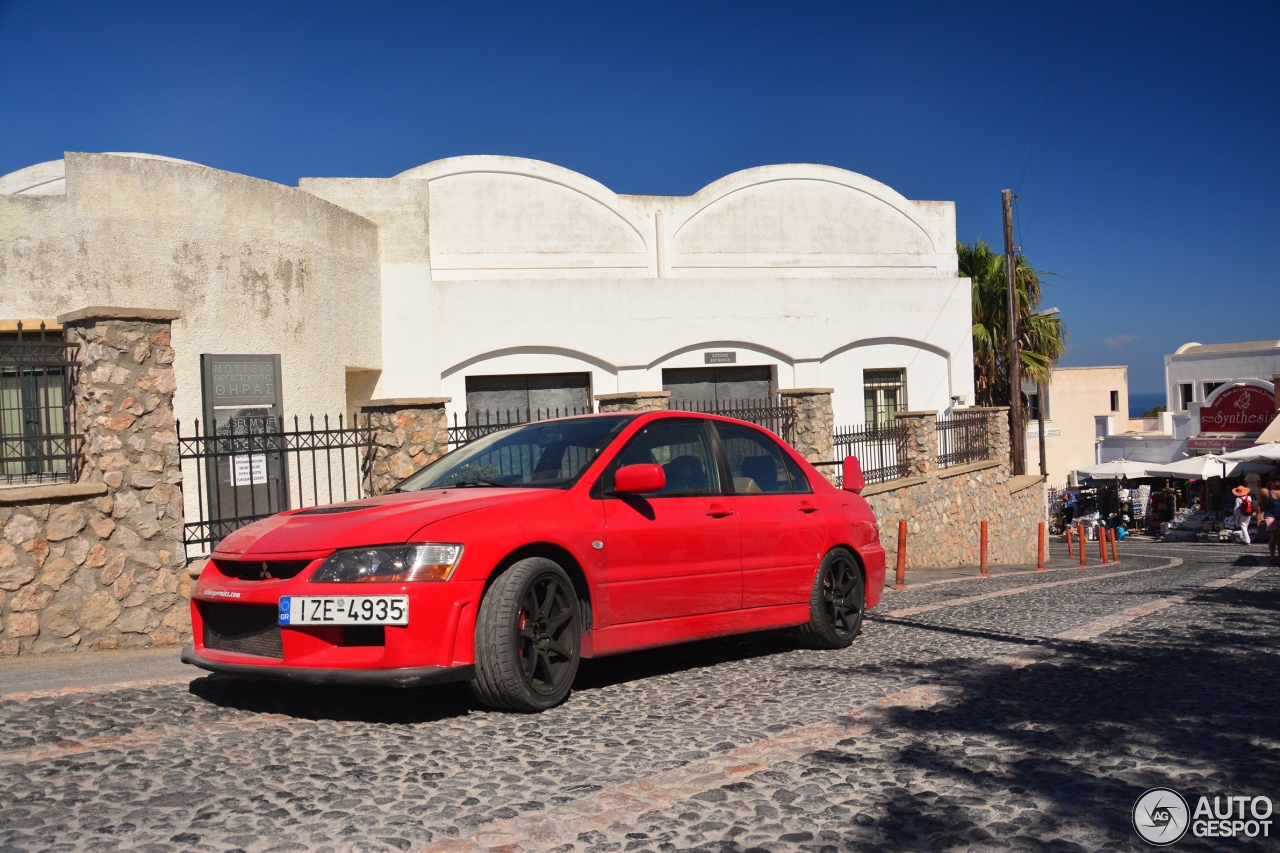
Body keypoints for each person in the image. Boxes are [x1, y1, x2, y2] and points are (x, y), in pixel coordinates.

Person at [1263, 478, 1280, 566]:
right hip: (1270, 516)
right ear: (1277, 482)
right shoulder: (1266, 491)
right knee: (1273, 535)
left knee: (1279, 538)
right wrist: (1258, 516)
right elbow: (1259, 504)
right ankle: (1272, 556)